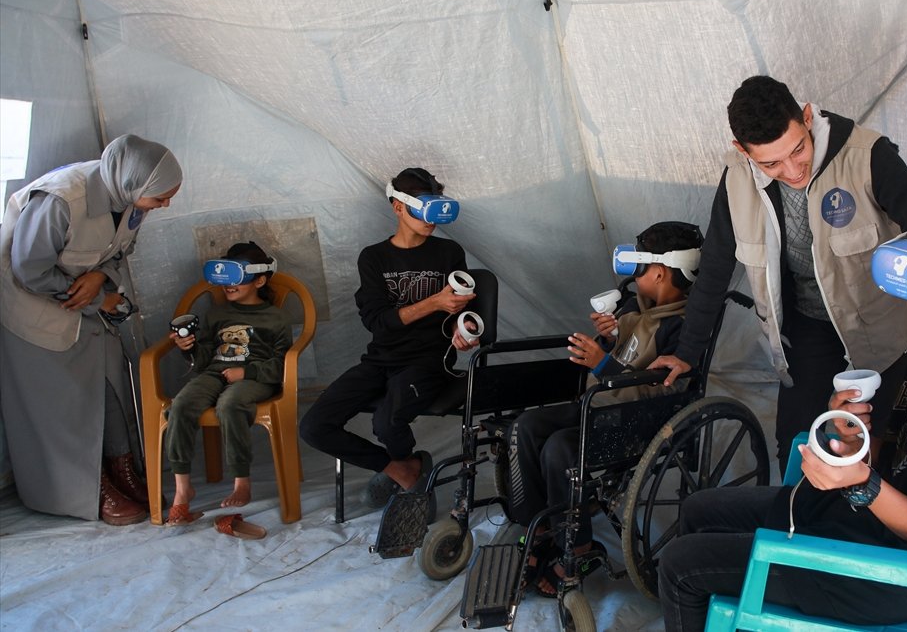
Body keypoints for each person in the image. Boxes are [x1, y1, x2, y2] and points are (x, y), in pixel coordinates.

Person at [657, 194, 907, 629]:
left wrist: (861, 483)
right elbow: (897, 457)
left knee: (679, 566)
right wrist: (854, 438)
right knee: (698, 510)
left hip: (883, 574)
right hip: (851, 522)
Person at [650, 75, 907, 473]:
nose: (792, 170)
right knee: (798, 445)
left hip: (878, 331)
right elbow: (716, 266)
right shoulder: (737, 178)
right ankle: (800, 512)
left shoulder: (867, 155)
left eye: (798, 150)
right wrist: (686, 352)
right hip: (805, 328)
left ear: (807, 117)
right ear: (742, 150)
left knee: (882, 448)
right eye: (771, 163)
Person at [504, 221, 703, 597]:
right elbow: (620, 350)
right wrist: (609, 338)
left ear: (659, 272)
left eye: (639, 268)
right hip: (600, 405)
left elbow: (656, 392)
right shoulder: (632, 306)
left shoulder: (681, 328)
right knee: (525, 427)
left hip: (638, 420)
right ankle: (540, 530)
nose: (633, 276)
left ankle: (578, 548)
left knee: (560, 449)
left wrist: (602, 363)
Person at [0, 134, 183, 524]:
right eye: (161, 198)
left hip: (86, 303)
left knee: (110, 387)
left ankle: (122, 469)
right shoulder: (60, 201)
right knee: (63, 404)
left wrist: (102, 276)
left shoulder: (128, 196)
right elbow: (29, 270)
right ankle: (88, 489)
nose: (165, 205)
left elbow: (121, 250)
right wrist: (98, 298)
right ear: (133, 182)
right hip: (34, 309)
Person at [299, 168, 479, 508]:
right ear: (398, 207)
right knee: (314, 426)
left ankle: (409, 484)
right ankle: (403, 470)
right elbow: (378, 323)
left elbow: (464, 306)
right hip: (380, 360)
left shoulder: (448, 252)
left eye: (435, 209)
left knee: (386, 421)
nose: (430, 220)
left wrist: (464, 329)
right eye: (422, 210)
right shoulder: (374, 257)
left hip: (429, 361)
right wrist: (433, 303)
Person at [161, 242, 293, 525]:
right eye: (225, 279)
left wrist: (247, 373)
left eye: (236, 278)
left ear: (259, 280)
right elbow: (203, 358)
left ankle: (241, 481)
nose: (228, 286)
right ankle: (183, 490)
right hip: (213, 373)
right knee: (180, 405)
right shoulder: (216, 314)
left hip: (255, 378)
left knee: (230, 404)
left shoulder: (276, 317)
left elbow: (282, 363)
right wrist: (188, 348)